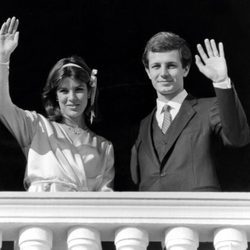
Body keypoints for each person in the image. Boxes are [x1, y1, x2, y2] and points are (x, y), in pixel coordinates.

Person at [0, 17, 115, 192]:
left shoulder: (103, 147)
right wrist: (2, 59)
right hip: (40, 215)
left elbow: (105, 200)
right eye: (63, 91)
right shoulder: (37, 127)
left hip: (81, 217)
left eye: (78, 89)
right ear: (55, 96)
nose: (72, 98)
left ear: (90, 92)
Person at [130, 31, 250, 191]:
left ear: (185, 69)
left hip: (199, 211)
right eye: (156, 66)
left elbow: (238, 138)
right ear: (148, 72)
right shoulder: (144, 124)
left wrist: (221, 81)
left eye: (171, 65)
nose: (163, 73)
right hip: (153, 213)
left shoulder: (209, 108)